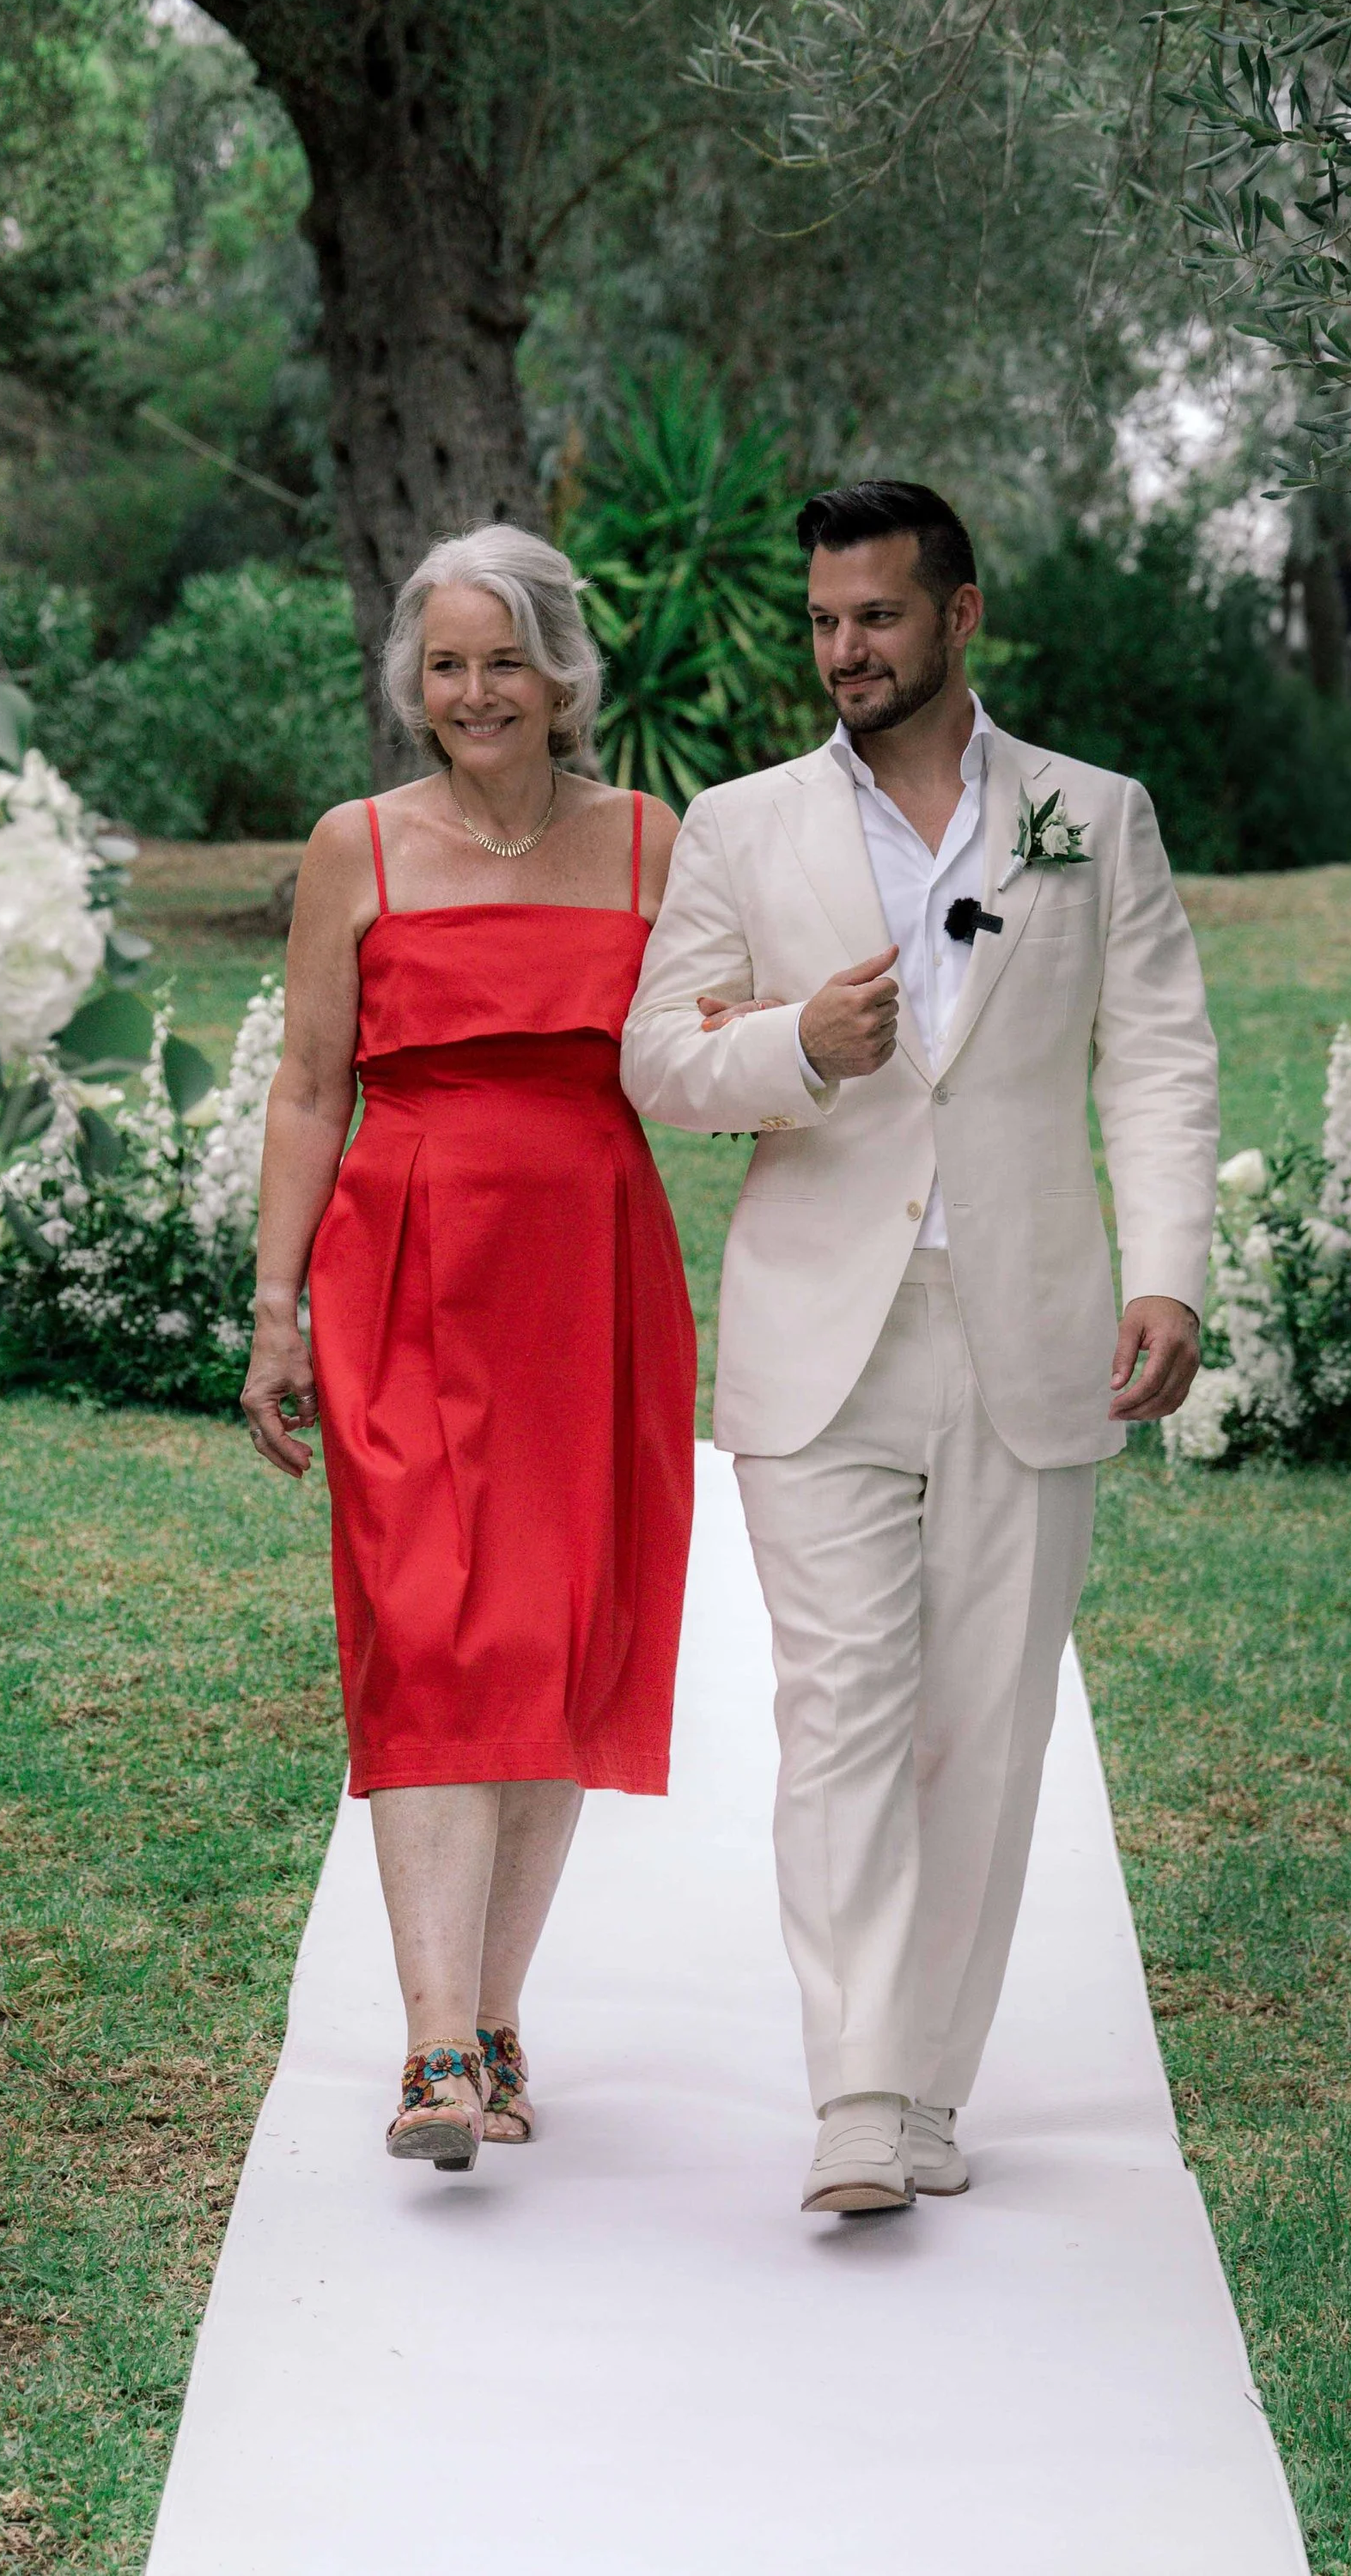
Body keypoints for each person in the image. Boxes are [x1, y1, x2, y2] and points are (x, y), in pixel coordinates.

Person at [622, 479, 1218, 2218]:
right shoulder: (739, 828)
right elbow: (658, 1061)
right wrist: (795, 1045)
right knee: (839, 1714)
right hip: (821, 1333)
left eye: (873, 618)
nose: (841, 651)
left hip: (1028, 1325)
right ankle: (858, 2094)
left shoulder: (1091, 819)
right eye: (820, 621)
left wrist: (1165, 1271)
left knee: (981, 1724)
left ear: (959, 617)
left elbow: (1157, 1058)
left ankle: (930, 2080)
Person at [241, 525, 694, 2175]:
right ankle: (435, 2044)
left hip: (591, 1264)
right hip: (406, 1255)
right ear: (412, 681)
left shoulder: (652, 842)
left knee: (550, 1633)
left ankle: (496, 2018)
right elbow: (309, 1083)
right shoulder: (354, 847)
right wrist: (274, 1303)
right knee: (430, 1619)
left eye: (504, 657)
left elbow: (709, 1050)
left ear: (563, 670)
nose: (476, 690)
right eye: (445, 662)